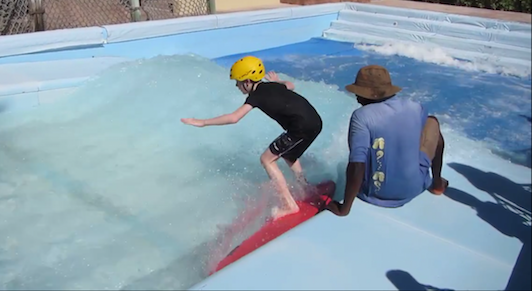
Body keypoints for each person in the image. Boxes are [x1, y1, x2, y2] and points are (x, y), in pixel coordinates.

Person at [181, 56, 323, 220]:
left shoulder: (255, 97)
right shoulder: (271, 86)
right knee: (289, 154)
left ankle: (289, 205)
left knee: (266, 160)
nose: (236, 85)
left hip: (300, 128)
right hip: (315, 121)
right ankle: (304, 186)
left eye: (238, 81)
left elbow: (234, 118)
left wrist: (203, 122)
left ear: (247, 81)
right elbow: (290, 85)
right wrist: (278, 81)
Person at [326, 65, 449, 217]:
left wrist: (344, 208)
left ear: (369, 94)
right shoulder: (416, 107)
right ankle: (437, 184)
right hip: (414, 188)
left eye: (359, 92)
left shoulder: (361, 116)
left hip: (372, 194)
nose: (356, 96)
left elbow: (357, 163)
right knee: (432, 123)